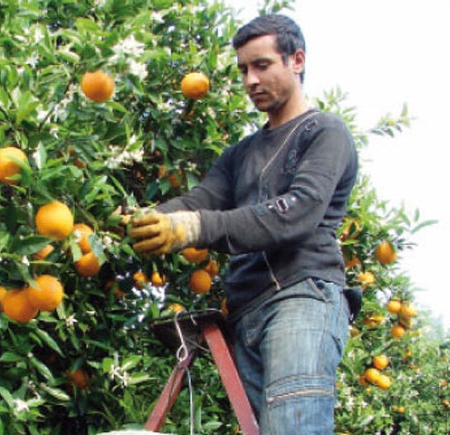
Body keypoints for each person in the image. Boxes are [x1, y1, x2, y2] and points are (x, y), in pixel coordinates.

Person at [128, 14, 358, 434]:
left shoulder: (324, 133)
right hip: (247, 312)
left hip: (301, 296)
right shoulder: (240, 154)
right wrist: (145, 219)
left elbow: (298, 211)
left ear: (297, 60)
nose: (251, 79)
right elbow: (201, 201)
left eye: (262, 65)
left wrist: (192, 229)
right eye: (243, 70)